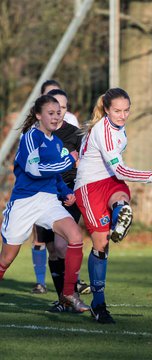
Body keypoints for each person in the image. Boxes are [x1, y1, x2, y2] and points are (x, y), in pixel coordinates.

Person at [74, 87, 152, 324]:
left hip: (110, 181)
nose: (122, 115)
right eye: (117, 111)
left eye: (126, 110)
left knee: (122, 199)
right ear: (107, 110)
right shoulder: (104, 132)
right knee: (100, 243)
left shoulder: (119, 128)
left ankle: (121, 215)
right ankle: (98, 302)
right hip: (89, 186)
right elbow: (120, 168)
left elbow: (116, 171)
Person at [0, 94, 89, 313]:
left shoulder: (57, 142)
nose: (56, 117)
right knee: (7, 258)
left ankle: (68, 293)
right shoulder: (31, 137)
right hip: (25, 202)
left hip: (49, 201)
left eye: (59, 112)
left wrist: (65, 191)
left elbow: (55, 176)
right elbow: (35, 170)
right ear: (39, 115)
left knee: (76, 237)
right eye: (51, 113)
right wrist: (69, 159)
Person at [33, 88, 90, 312]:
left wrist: (76, 187)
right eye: (55, 108)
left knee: (61, 243)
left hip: (69, 195)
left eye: (63, 108)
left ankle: (71, 290)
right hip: (43, 196)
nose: (59, 113)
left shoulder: (75, 134)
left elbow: (85, 165)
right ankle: (63, 300)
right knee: (52, 249)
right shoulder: (37, 134)